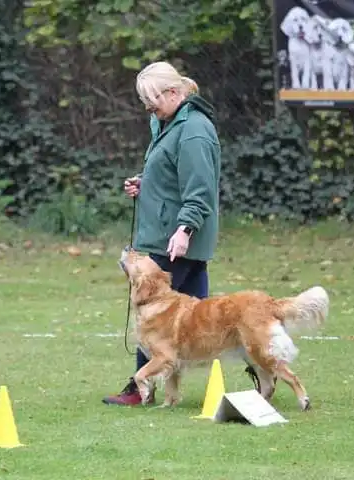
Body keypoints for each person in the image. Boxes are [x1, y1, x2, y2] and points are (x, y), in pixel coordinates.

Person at [102, 61, 222, 406]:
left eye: (151, 99)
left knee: (153, 312)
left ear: (173, 92)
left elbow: (200, 190)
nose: (148, 107)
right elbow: (174, 175)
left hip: (173, 237)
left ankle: (142, 388)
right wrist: (146, 184)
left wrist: (184, 229)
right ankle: (176, 383)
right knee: (200, 318)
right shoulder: (171, 123)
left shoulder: (194, 130)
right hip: (169, 232)